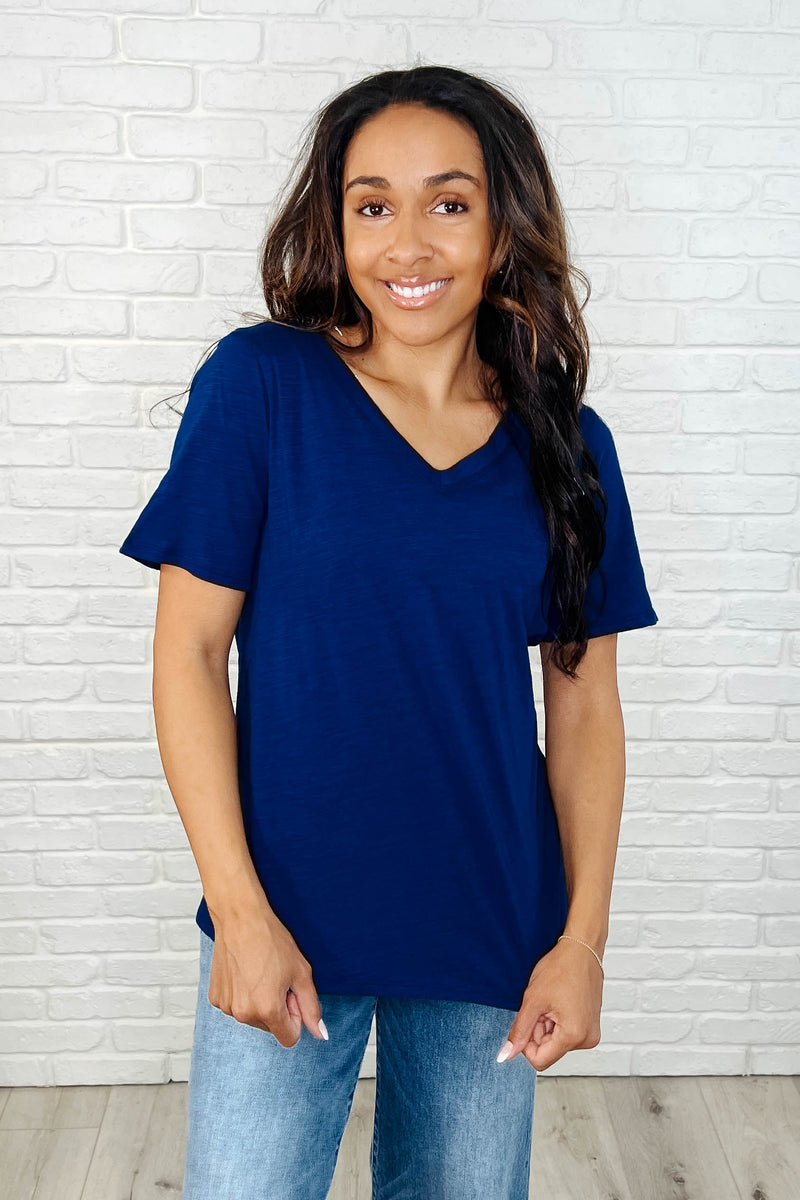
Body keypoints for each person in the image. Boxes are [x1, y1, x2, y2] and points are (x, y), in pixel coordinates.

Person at [119, 65, 658, 1200]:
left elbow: (585, 707)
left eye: (448, 203)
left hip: (490, 917)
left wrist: (580, 942)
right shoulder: (263, 387)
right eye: (373, 206)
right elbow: (188, 656)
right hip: (284, 910)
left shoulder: (568, 446)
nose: (408, 244)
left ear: (504, 225)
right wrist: (240, 911)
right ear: (336, 223)